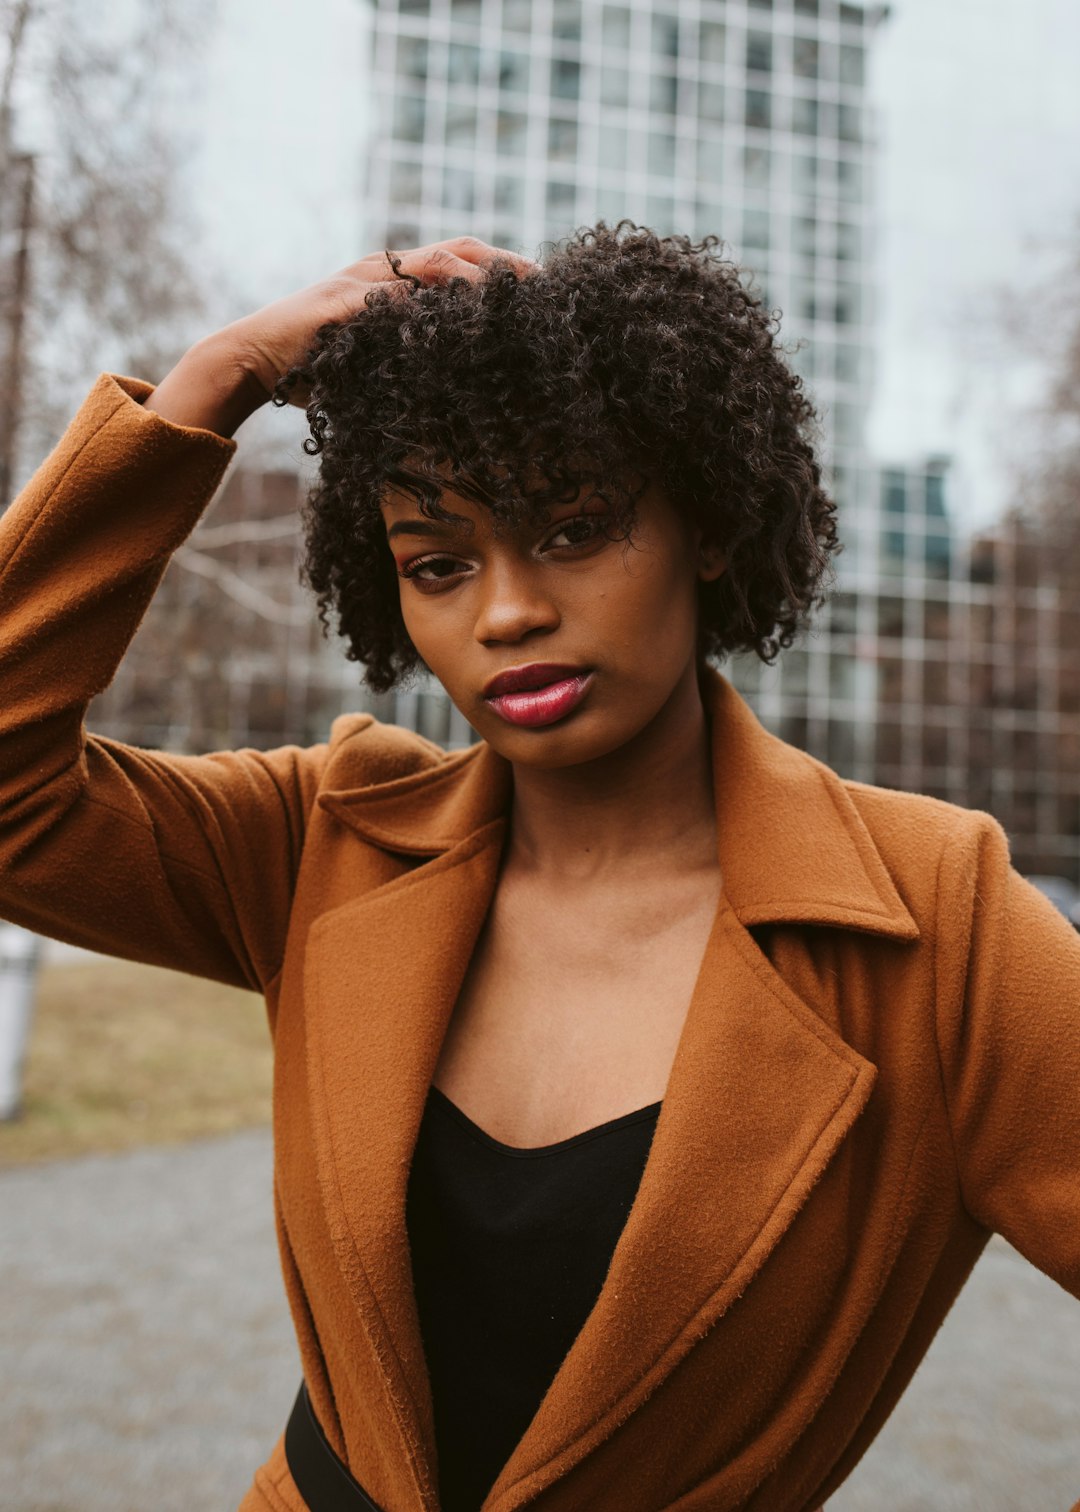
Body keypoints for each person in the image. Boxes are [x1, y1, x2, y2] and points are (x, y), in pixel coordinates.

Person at [0, 223, 1077, 1512]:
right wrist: (210, 386)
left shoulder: (933, 918)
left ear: (711, 528)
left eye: (574, 527)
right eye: (439, 563)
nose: (505, 610)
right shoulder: (325, 841)